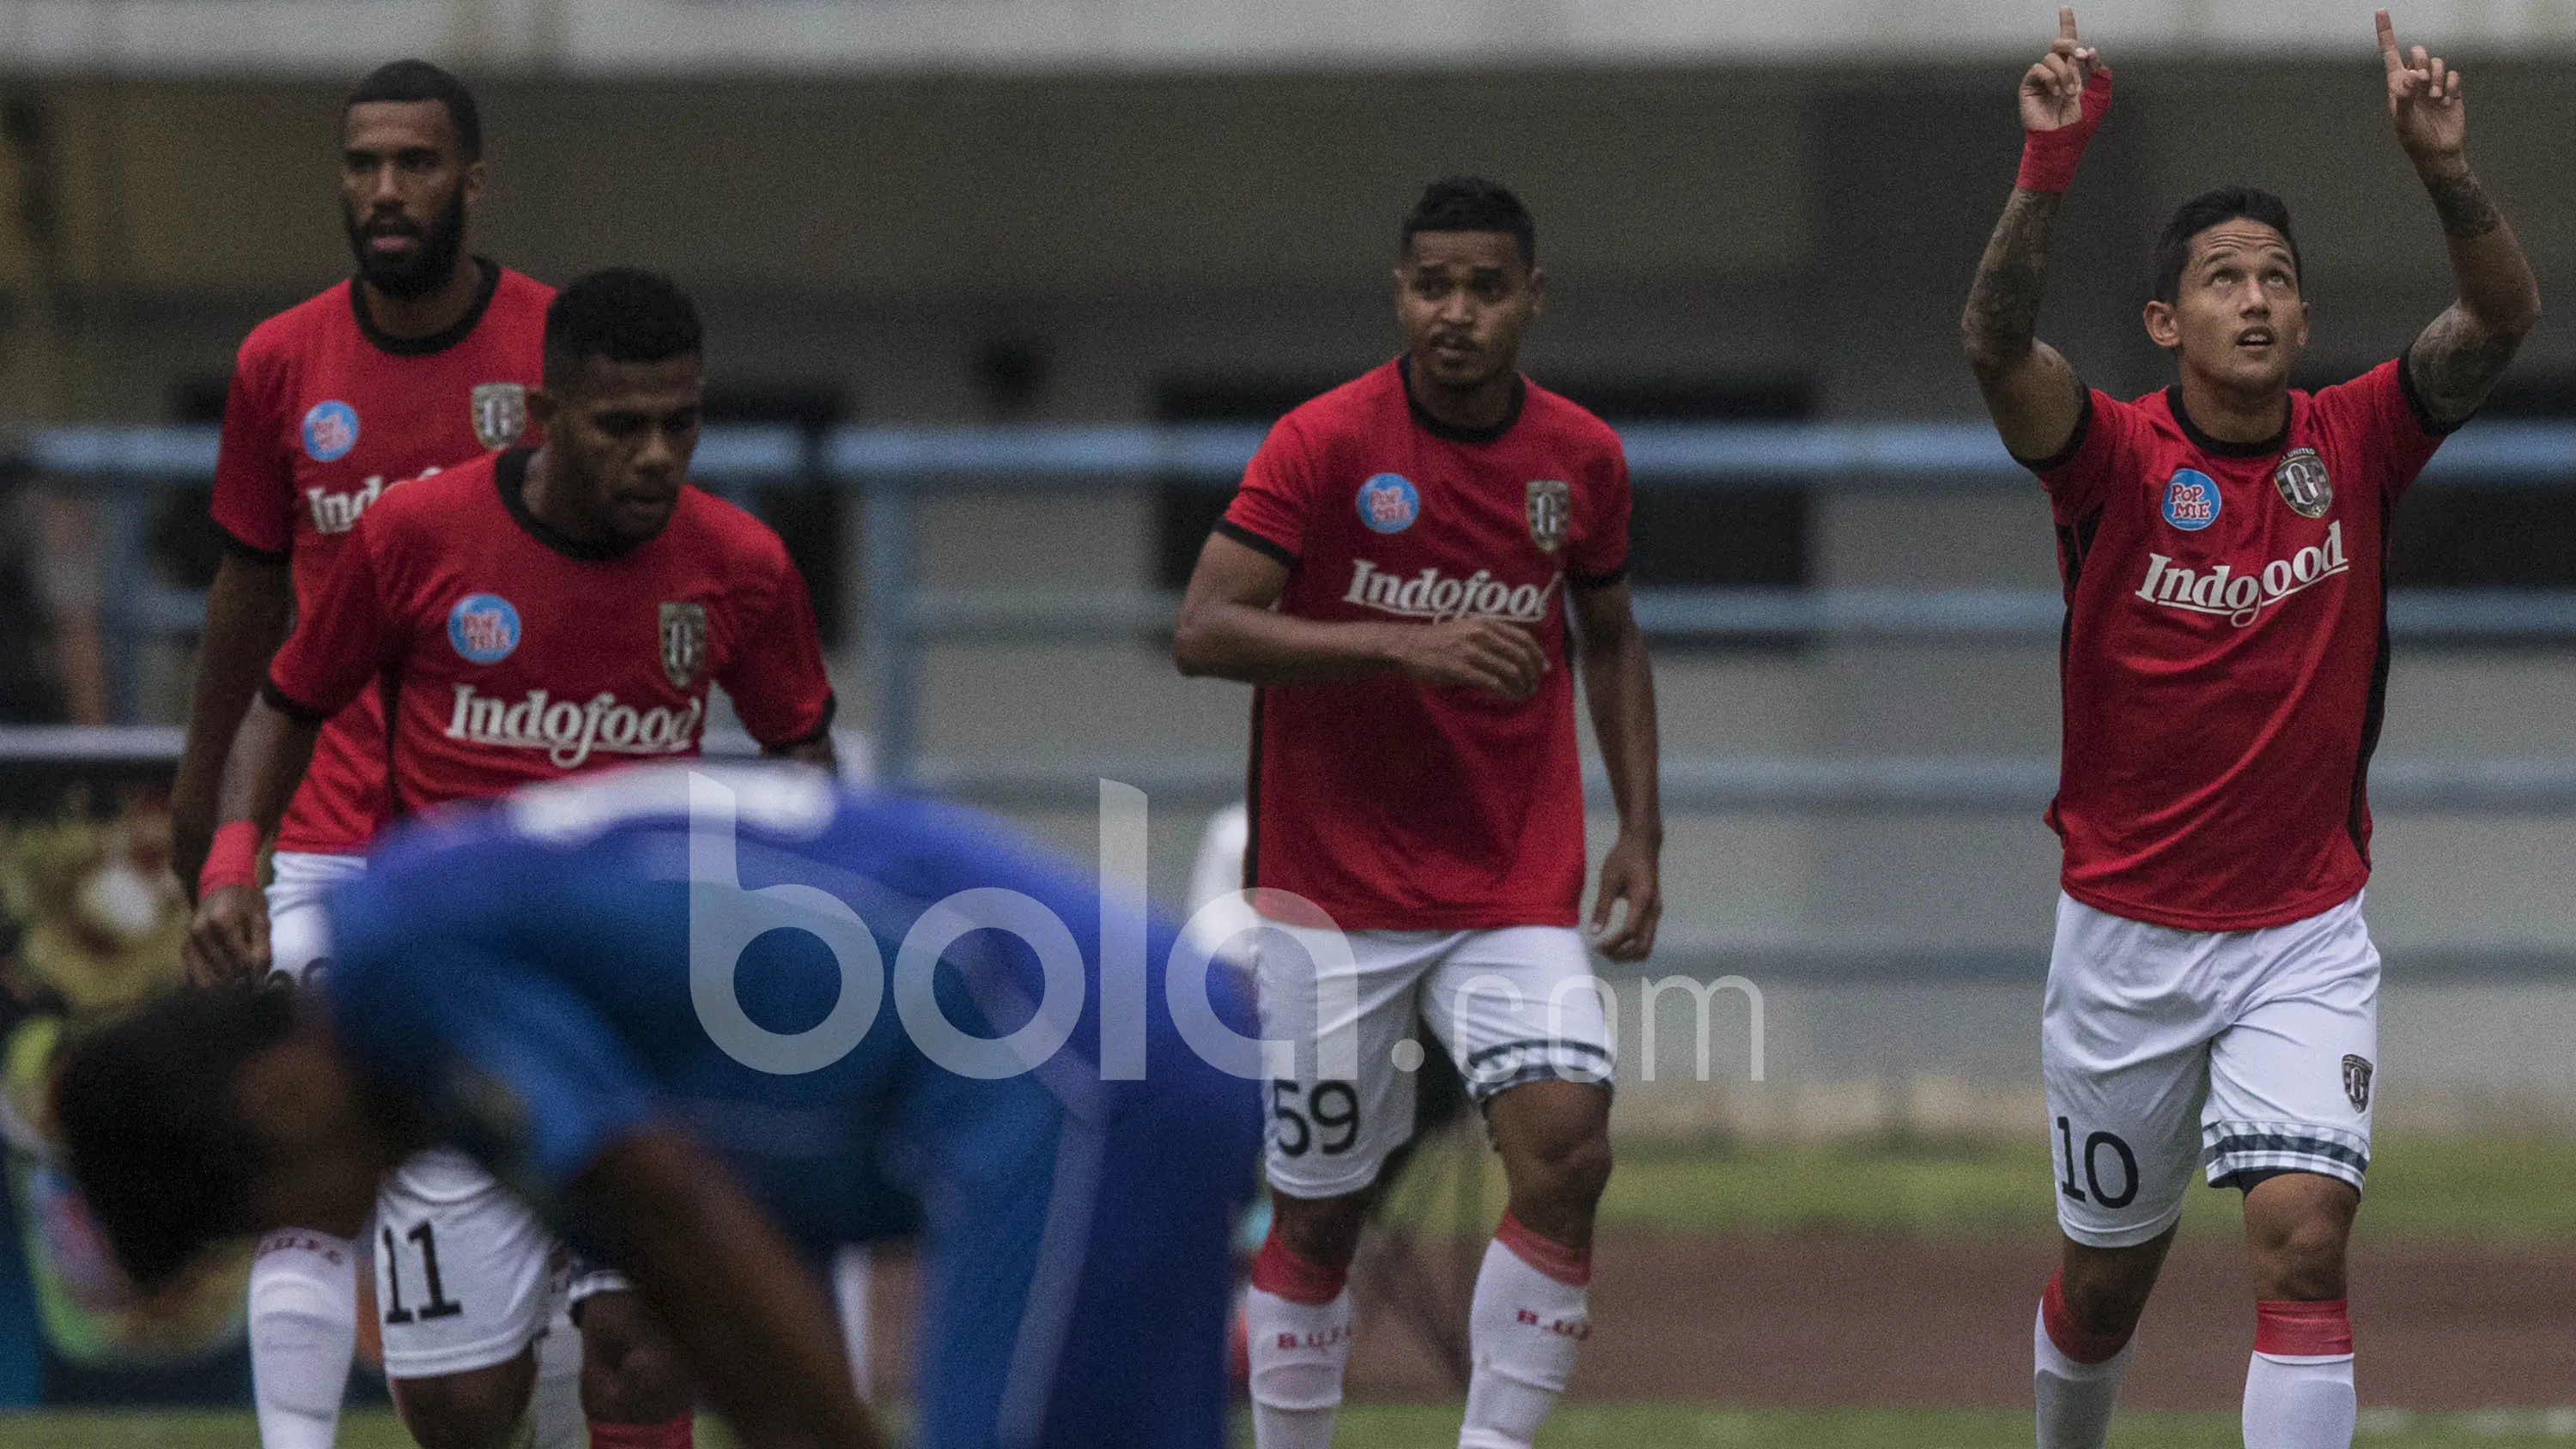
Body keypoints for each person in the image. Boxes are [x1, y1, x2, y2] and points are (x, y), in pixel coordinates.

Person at [1958, 11, 2540, 1449]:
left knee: (2303, 1244)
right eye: (2224, 281)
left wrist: (2445, 169)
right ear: (2168, 324)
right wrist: (2048, 164)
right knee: (2105, 1290)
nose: (2259, 299)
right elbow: (1993, 344)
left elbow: (2500, 321)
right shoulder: (2110, 458)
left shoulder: (2356, 440)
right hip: (2126, 939)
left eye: (2278, 277)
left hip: (2301, 931)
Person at [54, 761, 1264, 1449]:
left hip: (1075, 1070)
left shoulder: (395, 967)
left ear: (276, 1096)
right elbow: (697, 1291)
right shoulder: (450, 1068)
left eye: (265, 1210)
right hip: (1116, 1043)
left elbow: (672, 1202)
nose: (321, 1231)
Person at [187, 268, 840, 1449]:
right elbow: (286, 704)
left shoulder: (740, 566)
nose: (657, 455)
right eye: (622, 425)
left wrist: (806, 914)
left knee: (644, 1355)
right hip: (460, 999)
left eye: (680, 423)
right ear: (544, 418)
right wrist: (235, 858)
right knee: (458, 1404)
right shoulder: (416, 537)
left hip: (647, 996)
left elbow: (804, 750)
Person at [1170, 175, 1662, 1449]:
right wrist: (1405, 647)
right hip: (1331, 902)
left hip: (1510, 885)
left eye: (1486, 288)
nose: (1457, 312)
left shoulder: (1581, 460)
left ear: (1531, 300)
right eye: (1433, 286)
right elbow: (1205, 629)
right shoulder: (1322, 444)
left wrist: (1641, 831)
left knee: (1568, 1152)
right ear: (1399, 293)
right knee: (1317, 1219)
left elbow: (1607, 637)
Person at [164, 58, 559, 1449]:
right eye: (363, 164)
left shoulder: (553, 351)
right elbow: (249, 599)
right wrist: (211, 800)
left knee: (526, 1173)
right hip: (327, 826)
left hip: (507, 830)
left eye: (416, 162)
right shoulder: (282, 364)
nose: (386, 190)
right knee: (306, 1151)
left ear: (471, 178)